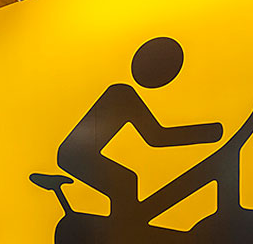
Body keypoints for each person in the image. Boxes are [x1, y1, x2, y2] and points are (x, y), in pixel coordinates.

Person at [57, 37, 222, 222]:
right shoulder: (122, 96)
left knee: (126, 181)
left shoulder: (122, 93)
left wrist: (209, 133)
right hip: (76, 156)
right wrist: (208, 133)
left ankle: (121, 231)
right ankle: (121, 233)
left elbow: (156, 136)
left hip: (76, 155)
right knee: (126, 182)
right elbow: (156, 137)